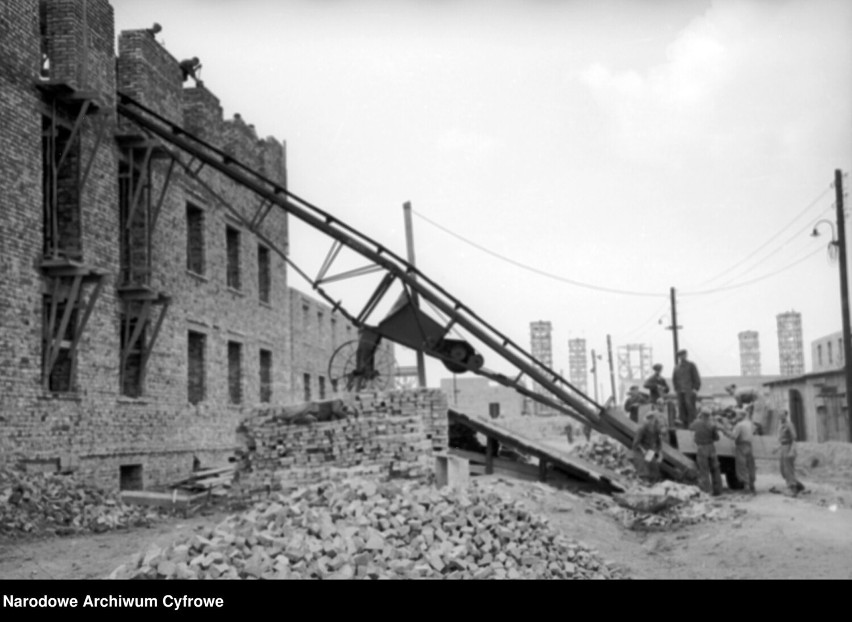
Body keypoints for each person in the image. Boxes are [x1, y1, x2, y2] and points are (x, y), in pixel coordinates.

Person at [722, 409, 757, 494]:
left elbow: (733, 436)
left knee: (742, 466)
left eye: (737, 415)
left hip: (741, 446)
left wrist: (724, 431)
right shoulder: (750, 424)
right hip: (749, 445)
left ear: (741, 416)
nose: (736, 417)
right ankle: (752, 485)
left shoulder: (739, 425)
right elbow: (755, 430)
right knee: (750, 465)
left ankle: (746, 486)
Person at [689, 409, 722, 496]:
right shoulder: (712, 424)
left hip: (701, 448)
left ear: (701, 415)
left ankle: (707, 490)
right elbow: (717, 438)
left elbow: (690, 427)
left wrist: (697, 418)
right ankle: (718, 490)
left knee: (704, 470)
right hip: (711, 447)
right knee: (715, 469)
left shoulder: (697, 422)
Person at [775, 411, 806, 496]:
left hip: (789, 447)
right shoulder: (780, 426)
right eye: (779, 415)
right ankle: (798, 485)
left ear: (786, 415)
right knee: (783, 470)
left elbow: (794, 438)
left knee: (788, 469)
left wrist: (792, 450)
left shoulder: (789, 425)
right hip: (783, 447)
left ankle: (793, 488)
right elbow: (781, 440)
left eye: (782, 415)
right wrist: (777, 448)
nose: (781, 417)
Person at [673, 349, 701, 427]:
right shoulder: (676, 367)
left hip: (689, 390)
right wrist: (676, 389)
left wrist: (695, 388)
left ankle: (692, 423)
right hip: (680, 391)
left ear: (686, 355)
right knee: (681, 407)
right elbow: (674, 379)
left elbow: (696, 377)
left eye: (683, 355)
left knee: (690, 407)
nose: (682, 357)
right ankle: (684, 423)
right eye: (680, 355)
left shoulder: (691, 365)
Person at [632, 412, 663, 484]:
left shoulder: (656, 430)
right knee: (643, 470)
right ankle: (644, 481)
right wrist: (643, 450)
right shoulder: (641, 429)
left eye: (654, 420)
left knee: (654, 470)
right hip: (639, 451)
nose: (652, 422)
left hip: (650, 451)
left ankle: (654, 483)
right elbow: (636, 444)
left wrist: (660, 454)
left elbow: (659, 443)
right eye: (651, 420)